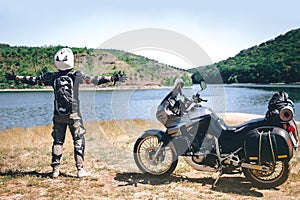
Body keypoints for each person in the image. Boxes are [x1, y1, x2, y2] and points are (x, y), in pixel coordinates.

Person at [5, 47, 126, 178]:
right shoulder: (76, 76)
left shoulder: (51, 77)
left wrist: (16, 77)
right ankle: (80, 170)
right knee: (78, 139)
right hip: (74, 115)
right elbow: (95, 80)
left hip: (58, 115)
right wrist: (112, 78)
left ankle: (55, 170)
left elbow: (33, 80)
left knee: (58, 141)